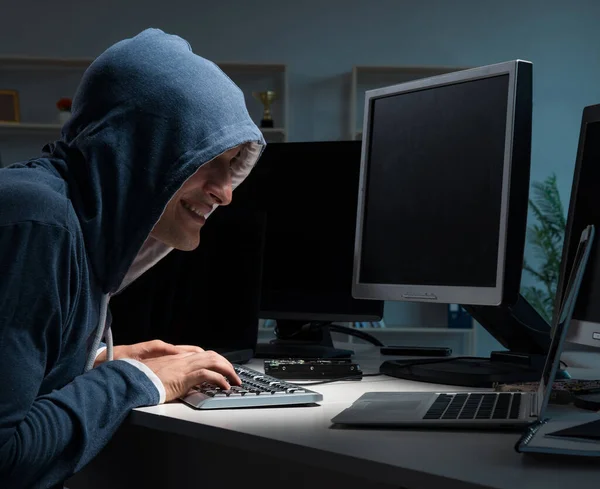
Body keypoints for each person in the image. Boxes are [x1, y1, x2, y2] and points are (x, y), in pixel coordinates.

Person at [0, 28, 265, 489]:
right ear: (140, 146)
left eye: (235, 165)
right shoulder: (37, 224)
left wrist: (83, 362)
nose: (225, 194)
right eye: (209, 160)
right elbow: (6, 459)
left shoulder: (62, 219)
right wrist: (138, 378)